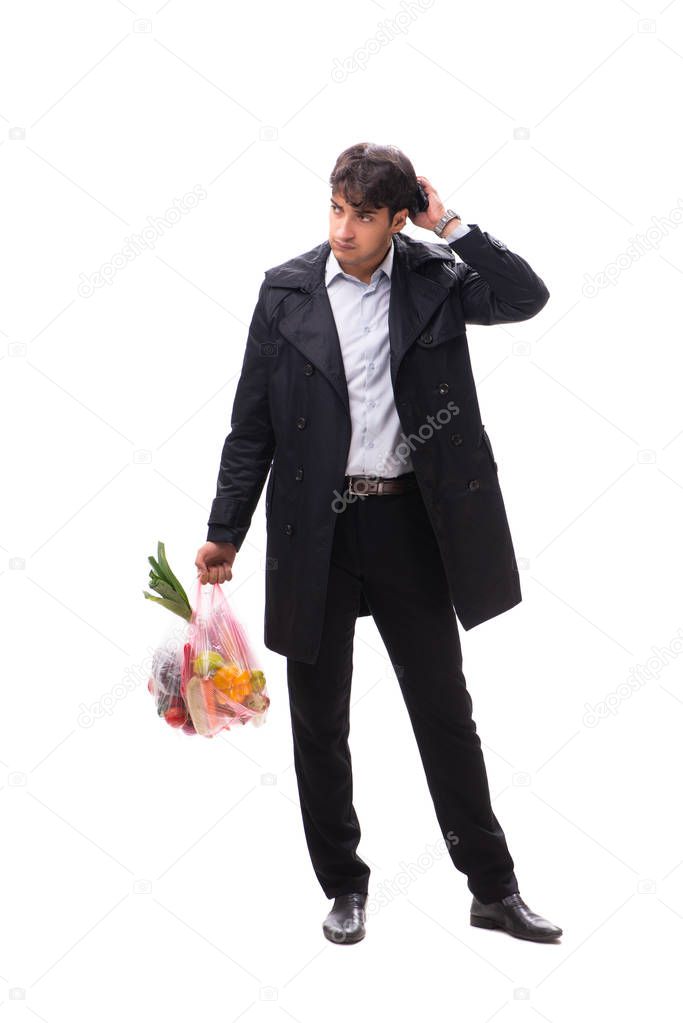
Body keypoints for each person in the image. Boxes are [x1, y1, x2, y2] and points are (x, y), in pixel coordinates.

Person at [195, 142, 562, 946]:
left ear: (398, 217)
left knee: (443, 713)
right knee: (317, 720)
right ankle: (344, 886)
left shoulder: (434, 278)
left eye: (364, 214)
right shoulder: (285, 290)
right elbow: (250, 425)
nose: (344, 229)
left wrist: (450, 224)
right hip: (313, 528)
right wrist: (225, 530)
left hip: (408, 525)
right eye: (336, 208)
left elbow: (524, 295)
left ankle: (492, 888)